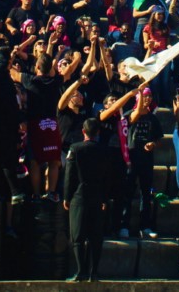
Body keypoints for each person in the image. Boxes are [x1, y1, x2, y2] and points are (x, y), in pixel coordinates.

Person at [64, 118, 116, 282]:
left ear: (83, 131)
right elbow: (109, 178)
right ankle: (94, 272)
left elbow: (69, 176)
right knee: (95, 236)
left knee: (77, 236)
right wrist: (105, 198)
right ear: (98, 132)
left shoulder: (75, 149)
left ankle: (81, 271)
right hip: (98, 195)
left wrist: (66, 196)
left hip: (79, 195)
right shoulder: (105, 151)